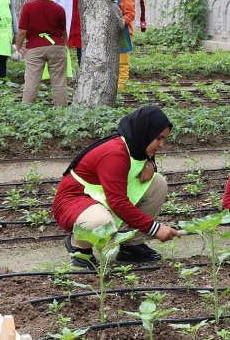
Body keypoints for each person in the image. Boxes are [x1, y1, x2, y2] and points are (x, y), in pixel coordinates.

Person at [54, 106, 184, 267]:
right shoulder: (115, 153)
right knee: (101, 222)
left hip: (99, 197)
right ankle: (79, 246)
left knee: (158, 183)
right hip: (74, 200)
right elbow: (118, 202)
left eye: (164, 139)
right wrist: (155, 228)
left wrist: (151, 164)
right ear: (145, 132)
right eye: (158, 138)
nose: (162, 144)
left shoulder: (135, 145)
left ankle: (132, 246)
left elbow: (141, 163)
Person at [16, 0, 69, 106]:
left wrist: (18, 45)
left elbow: (22, 31)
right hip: (56, 47)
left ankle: (27, 109)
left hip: (35, 47)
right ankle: (61, 111)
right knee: (59, 82)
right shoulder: (59, 9)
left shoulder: (28, 7)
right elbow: (63, 32)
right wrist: (66, 45)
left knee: (31, 81)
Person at [108, 0, 146, 88]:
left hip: (123, 33)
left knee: (122, 61)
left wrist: (122, 21)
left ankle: (122, 86)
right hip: (110, 31)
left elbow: (130, 14)